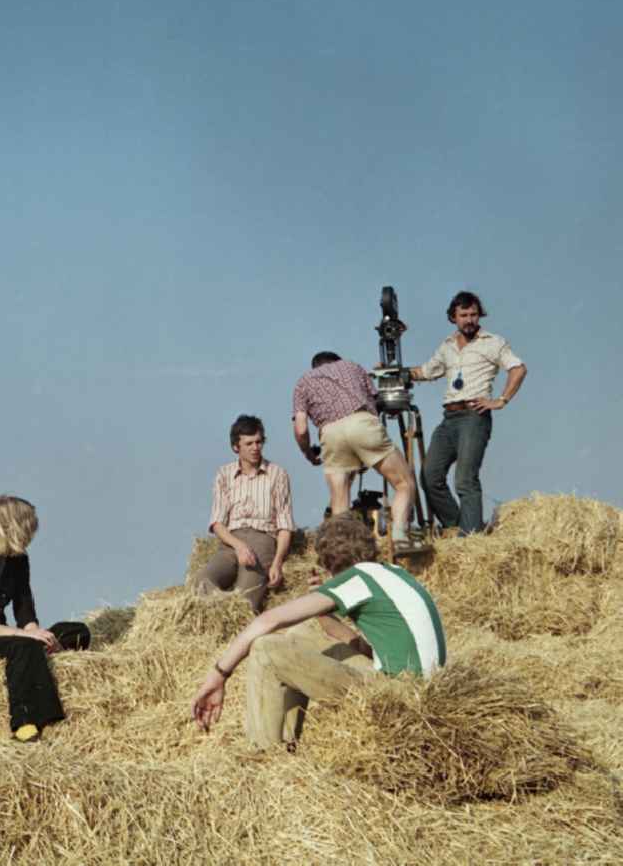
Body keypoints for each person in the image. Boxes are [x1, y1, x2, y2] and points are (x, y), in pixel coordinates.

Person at [191, 516, 446, 748]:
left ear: (328, 563)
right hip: (423, 691)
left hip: (397, 698)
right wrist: (322, 607)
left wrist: (219, 675)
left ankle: (263, 757)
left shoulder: (356, 579)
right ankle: (288, 743)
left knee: (266, 649)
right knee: (302, 633)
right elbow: (361, 647)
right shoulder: (392, 573)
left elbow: (268, 621)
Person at [0, 495, 91, 743]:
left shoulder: (20, 561)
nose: (32, 532)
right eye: (29, 525)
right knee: (23, 646)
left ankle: (48, 653)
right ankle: (24, 723)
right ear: (13, 526)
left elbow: (25, 612)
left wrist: (40, 635)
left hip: (4, 635)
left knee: (78, 631)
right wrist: (25, 635)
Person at [411, 291, 527, 536]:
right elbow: (425, 371)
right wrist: (395, 371)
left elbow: (518, 369)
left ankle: (471, 539)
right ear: (453, 317)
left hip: (474, 416)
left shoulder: (493, 342)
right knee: (429, 476)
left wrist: (501, 400)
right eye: (463, 315)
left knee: (465, 479)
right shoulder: (447, 346)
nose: (469, 320)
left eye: (473, 314)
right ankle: (456, 527)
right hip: (449, 418)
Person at [292, 352, 417, 551]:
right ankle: (400, 537)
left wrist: (308, 453)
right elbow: (376, 400)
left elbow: (301, 429)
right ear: (337, 362)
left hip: (330, 433)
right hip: (361, 422)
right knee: (404, 482)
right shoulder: (351, 366)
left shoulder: (302, 382)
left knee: (340, 503)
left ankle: (343, 553)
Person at [194, 414, 294, 614]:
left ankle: (236, 627)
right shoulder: (224, 474)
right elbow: (217, 523)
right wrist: (239, 546)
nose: (255, 447)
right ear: (236, 447)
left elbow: (285, 526)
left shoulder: (277, 474)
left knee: (244, 602)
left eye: (259, 442)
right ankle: (218, 618)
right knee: (200, 581)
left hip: (262, 541)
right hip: (231, 543)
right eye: (249, 443)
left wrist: (277, 563)